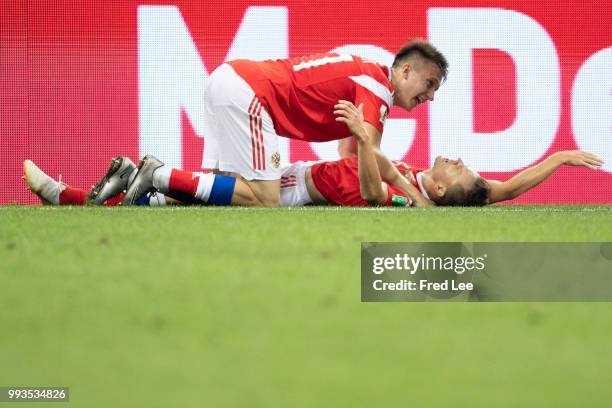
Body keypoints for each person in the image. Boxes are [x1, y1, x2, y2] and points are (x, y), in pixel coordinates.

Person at [24, 102, 603, 208]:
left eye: (460, 166)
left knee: (187, 193)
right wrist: (562, 157)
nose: (454, 157)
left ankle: (139, 176)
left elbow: (365, 178)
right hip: (297, 175)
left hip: (296, 189)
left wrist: (366, 138)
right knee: (176, 202)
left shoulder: (410, 198)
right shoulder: (408, 176)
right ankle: (80, 191)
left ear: (446, 189)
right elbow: (506, 189)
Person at [122, 39, 448, 207]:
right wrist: (415, 197)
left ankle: (115, 188)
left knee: (221, 195)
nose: (430, 96)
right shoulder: (376, 90)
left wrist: (408, 190)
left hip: (230, 79)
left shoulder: (369, 74)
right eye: (430, 84)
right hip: (252, 94)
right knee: (265, 198)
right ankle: (158, 174)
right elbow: (370, 186)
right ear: (405, 71)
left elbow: (357, 157)